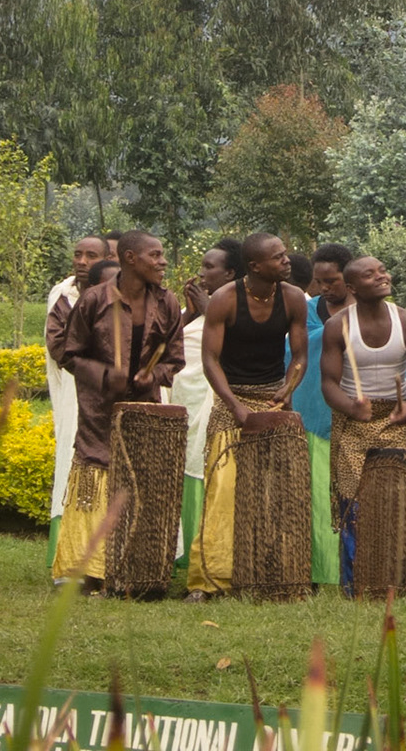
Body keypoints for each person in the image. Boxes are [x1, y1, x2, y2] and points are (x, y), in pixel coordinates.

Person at [51, 231, 185, 589]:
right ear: (129, 258)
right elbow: (68, 353)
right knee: (98, 475)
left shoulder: (167, 302)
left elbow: (174, 358)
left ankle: (139, 568)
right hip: (99, 409)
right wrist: (104, 374)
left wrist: (152, 375)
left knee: (141, 481)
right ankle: (90, 570)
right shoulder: (94, 300)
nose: (162, 262)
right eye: (154, 255)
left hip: (145, 409)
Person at [185, 231, 312, 599]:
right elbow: (210, 359)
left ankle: (271, 575)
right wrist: (235, 406)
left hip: (272, 399)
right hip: (232, 398)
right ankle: (209, 581)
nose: (287, 261)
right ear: (254, 266)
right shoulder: (225, 299)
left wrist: (289, 388)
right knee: (223, 490)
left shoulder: (292, 299)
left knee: (276, 492)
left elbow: (300, 356)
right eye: (278, 257)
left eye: (285, 254)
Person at [321, 256, 406, 592]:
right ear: (352, 288)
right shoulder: (338, 326)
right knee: (354, 505)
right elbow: (329, 383)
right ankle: (355, 585)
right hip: (352, 421)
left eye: (383, 270)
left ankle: (396, 583)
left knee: (393, 505)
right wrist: (350, 407)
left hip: (394, 419)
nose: (382, 276)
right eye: (370, 274)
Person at [44, 235, 116, 569]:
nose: (82, 261)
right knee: (75, 467)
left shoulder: (125, 293)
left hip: (118, 396)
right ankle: (75, 553)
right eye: (77, 254)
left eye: (91, 255)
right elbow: (60, 349)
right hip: (77, 395)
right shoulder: (63, 297)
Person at [169, 244, 239, 572]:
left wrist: (209, 308)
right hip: (189, 404)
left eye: (208, 267)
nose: (201, 274)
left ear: (230, 274)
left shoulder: (238, 307)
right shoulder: (200, 311)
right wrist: (191, 312)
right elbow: (170, 346)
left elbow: (235, 351)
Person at [293, 241, 356, 587]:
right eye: (319, 281)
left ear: (349, 279)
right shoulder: (304, 312)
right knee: (313, 498)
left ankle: (349, 569)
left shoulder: (370, 311)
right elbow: (292, 352)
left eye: (332, 280)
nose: (324, 288)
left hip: (354, 419)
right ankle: (314, 572)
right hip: (310, 415)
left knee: (349, 495)